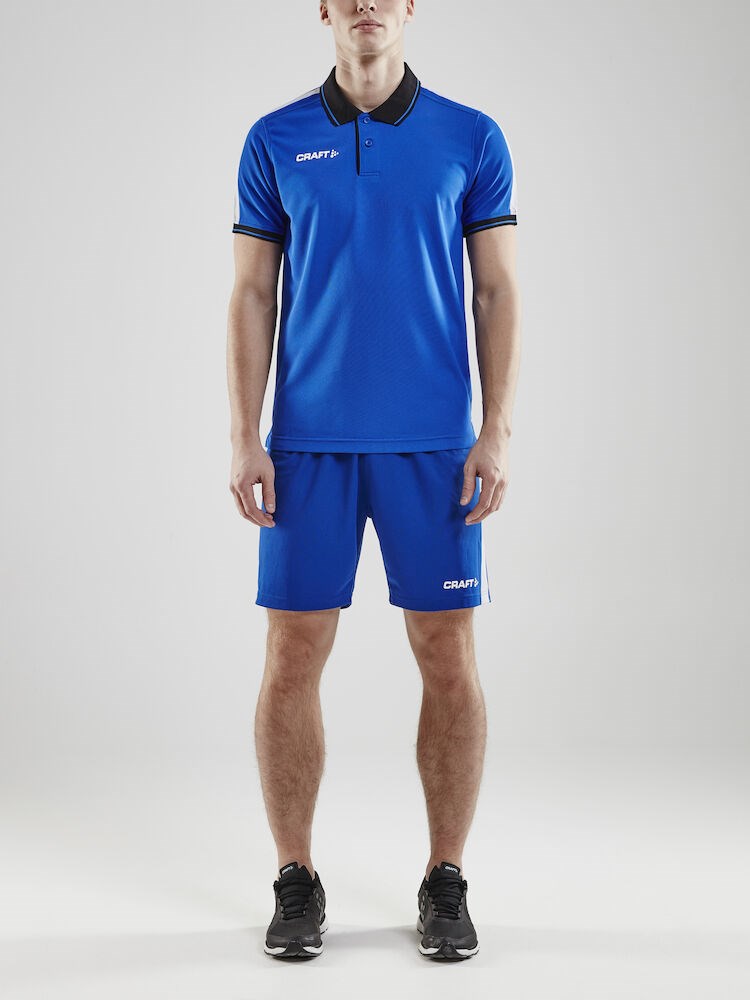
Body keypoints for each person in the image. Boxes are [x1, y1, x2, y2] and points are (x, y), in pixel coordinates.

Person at [226, 0, 521, 962]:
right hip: (307, 446)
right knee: (292, 656)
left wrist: (495, 429)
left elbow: (496, 289)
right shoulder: (274, 139)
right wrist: (244, 435)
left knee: (447, 654)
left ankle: (446, 877)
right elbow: (253, 291)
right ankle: (294, 878)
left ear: (409, 7)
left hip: (434, 447)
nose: (364, 5)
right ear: (323, 7)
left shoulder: (471, 138)